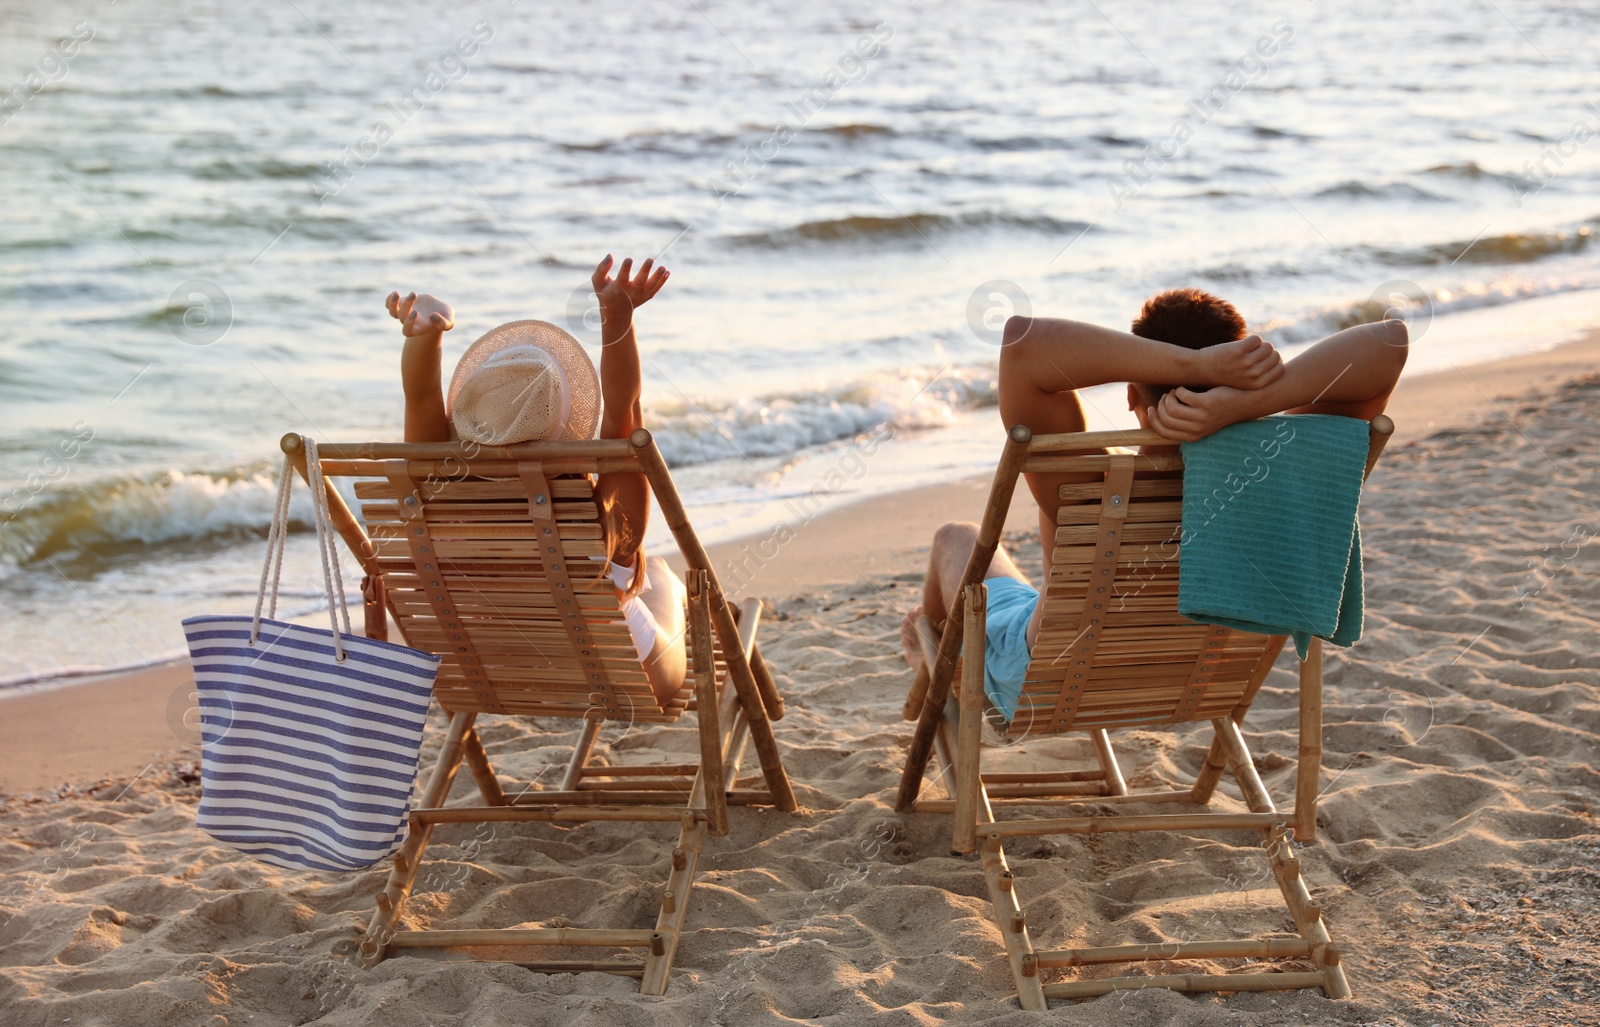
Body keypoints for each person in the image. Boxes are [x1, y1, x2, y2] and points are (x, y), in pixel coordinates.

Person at [900, 287, 1409, 720]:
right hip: (1202, 685)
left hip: (1046, 684)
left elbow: (1023, 344)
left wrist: (1192, 366)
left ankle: (929, 661)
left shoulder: (1091, 483)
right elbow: (1389, 341)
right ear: (1243, 375)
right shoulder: (1285, 472)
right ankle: (933, 652)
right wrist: (1242, 401)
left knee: (956, 537)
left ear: (1129, 395)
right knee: (1013, 582)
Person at [386, 255, 690, 707]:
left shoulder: (437, 493)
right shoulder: (595, 521)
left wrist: (424, 335)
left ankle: (428, 331)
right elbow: (625, 409)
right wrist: (618, 315)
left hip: (491, 675)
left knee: (654, 577)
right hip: (625, 680)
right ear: (566, 422)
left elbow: (422, 398)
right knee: (666, 577)